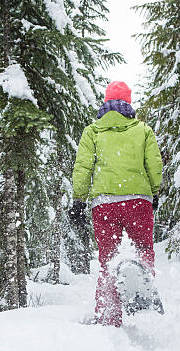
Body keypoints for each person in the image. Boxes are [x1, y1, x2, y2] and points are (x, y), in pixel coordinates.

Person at [70, 81, 163, 328]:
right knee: (143, 248)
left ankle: (108, 316)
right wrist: (154, 192)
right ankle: (144, 295)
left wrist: (79, 199)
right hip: (138, 201)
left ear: (106, 102)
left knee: (107, 259)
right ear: (128, 103)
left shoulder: (93, 131)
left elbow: (83, 167)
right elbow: (154, 164)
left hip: (104, 203)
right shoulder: (142, 130)